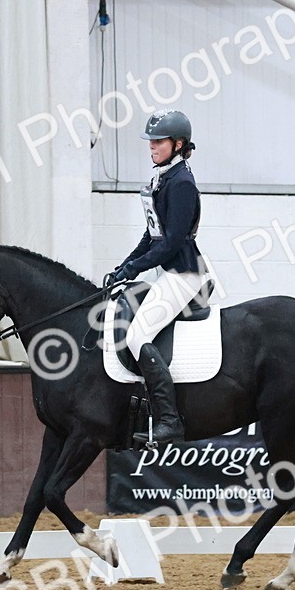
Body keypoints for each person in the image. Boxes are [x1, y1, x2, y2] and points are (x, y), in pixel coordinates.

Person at [105, 109, 211, 444]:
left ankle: (169, 420)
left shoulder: (181, 184)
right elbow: (151, 235)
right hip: (170, 272)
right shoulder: (162, 178)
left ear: (178, 144)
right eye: (150, 140)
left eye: (159, 141)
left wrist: (135, 268)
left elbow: (171, 244)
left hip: (184, 274)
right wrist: (125, 265)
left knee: (136, 336)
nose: (152, 146)